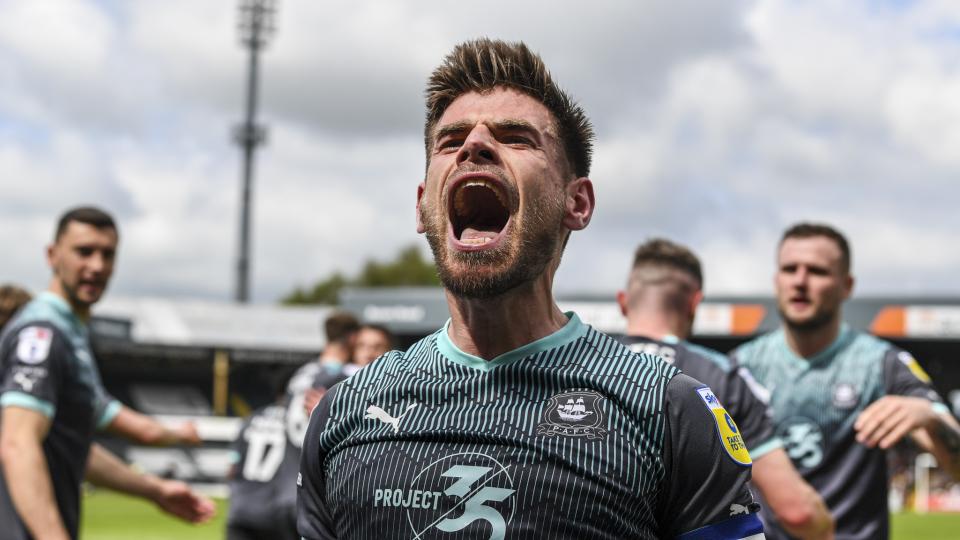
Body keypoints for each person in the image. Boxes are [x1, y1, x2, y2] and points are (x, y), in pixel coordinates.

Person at [298, 38, 764, 539]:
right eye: (450, 141)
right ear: (421, 207)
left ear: (577, 202)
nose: (474, 145)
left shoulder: (668, 410)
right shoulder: (344, 412)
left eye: (516, 137)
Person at [732, 223, 960, 539]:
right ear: (776, 281)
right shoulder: (740, 368)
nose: (800, 281)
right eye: (789, 269)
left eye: (817, 271)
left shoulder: (882, 365)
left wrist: (931, 417)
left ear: (847, 285)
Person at [0, 206, 215, 540]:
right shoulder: (43, 333)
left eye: (108, 255)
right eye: (84, 252)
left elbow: (76, 449)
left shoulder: (71, 336)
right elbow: (18, 442)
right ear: (52, 255)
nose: (97, 266)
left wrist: (155, 489)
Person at [618, 238, 833, 539]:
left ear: (623, 301)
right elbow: (796, 511)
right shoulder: (724, 377)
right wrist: (825, 530)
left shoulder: (584, 367)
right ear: (695, 303)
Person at [227, 371, 301, 540]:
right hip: (279, 512)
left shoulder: (251, 419)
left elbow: (232, 467)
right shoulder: (297, 424)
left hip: (242, 510)